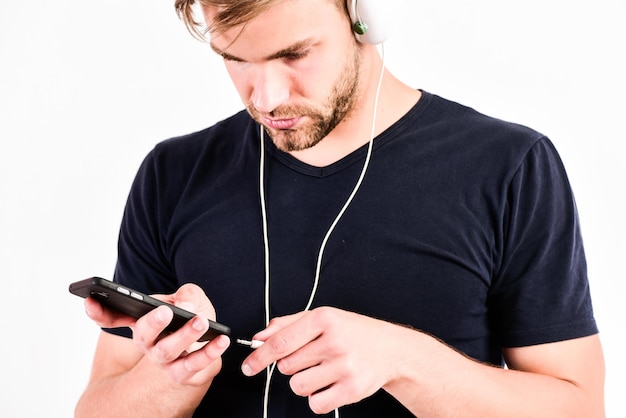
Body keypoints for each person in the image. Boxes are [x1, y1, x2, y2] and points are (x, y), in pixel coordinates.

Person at [75, 0, 605, 417]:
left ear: (364, 17)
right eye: (236, 61)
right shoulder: (173, 173)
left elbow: (578, 407)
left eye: (294, 54)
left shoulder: (509, 166)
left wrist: (404, 361)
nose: (267, 97)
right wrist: (168, 379)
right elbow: (96, 409)